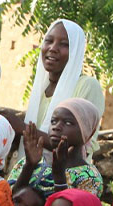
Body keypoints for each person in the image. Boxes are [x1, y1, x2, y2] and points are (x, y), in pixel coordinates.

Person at [20, 20, 104, 158]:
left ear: (76, 50)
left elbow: (74, 143)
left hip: (69, 176)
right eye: (49, 41)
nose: (53, 48)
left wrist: (22, 128)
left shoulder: (87, 86)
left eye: (64, 44)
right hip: (33, 176)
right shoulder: (41, 90)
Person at [11, 97, 104, 197]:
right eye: (53, 121)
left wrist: (59, 176)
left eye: (68, 123)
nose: (56, 127)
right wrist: (29, 166)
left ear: (88, 133)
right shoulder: (26, 163)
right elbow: (8, 203)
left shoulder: (90, 178)